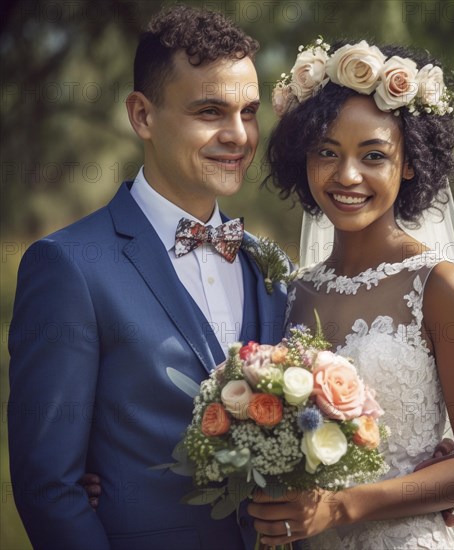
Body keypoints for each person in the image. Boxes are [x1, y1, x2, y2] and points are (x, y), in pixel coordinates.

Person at [7, 5, 288, 549]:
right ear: (142, 116)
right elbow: (49, 489)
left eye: (249, 112)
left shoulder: (270, 266)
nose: (238, 135)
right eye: (210, 111)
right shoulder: (68, 266)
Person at [247, 38, 454, 549]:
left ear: (409, 163)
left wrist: (342, 508)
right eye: (327, 152)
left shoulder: (442, 288)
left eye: (373, 155)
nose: (347, 175)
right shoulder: (293, 293)